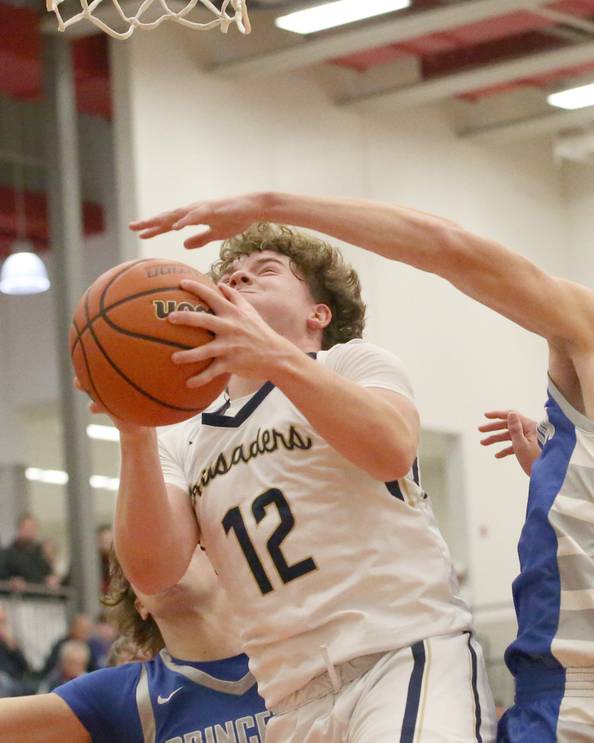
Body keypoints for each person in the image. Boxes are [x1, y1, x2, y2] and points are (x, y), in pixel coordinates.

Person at [130, 193, 594, 742]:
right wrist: (553, 472)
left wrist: (270, 205)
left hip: (585, 696)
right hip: (581, 690)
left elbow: (448, 244)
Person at [92, 221, 495, 742]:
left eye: (265, 271)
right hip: (288, 695)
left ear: (318, 314)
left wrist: (271, 355)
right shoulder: (184, 439)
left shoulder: (352, 363)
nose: (238, 281)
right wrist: (135, 431)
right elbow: (153, 572)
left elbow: (391, 448)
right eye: (230, 278)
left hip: (401, 654)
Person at [0, 547, 269, 742]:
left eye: (175, 545)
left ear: (218, 563)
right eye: (142, 565)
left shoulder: (292, 656)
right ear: (140, 604)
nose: (159, 563)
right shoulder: (122, 695)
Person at [1, 514, 60, 590]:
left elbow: (49, 574)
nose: (30, 532)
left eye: (33, 529)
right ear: (19, 529)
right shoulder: (7, 555)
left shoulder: (40, 553)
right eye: (27, 529)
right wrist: (11, 583)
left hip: (42, 597)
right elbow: (3, 579)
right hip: (20, 599)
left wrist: (53, 578)